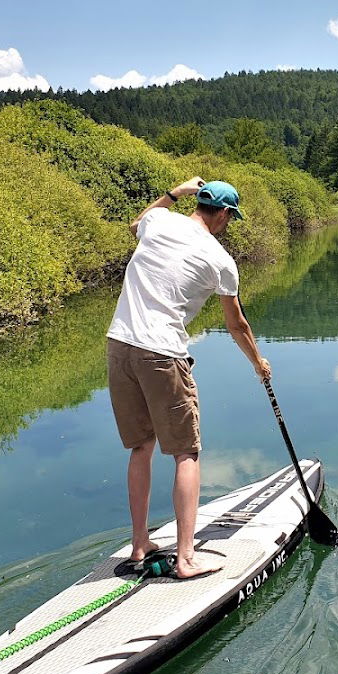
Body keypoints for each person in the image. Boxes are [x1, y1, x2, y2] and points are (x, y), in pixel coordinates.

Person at [105, 177, 272, 579]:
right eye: (231, 218)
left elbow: (135, 224)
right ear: (225, 214)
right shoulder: (220, 261)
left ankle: (140, 543)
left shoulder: (159, 221)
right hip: (162, 353)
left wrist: (174, 193)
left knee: (141, 447)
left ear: (197, 202)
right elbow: (237, 325)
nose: (229, 224)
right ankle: (186, 558)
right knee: (186, 453)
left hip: (119, 345)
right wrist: (258, 363)